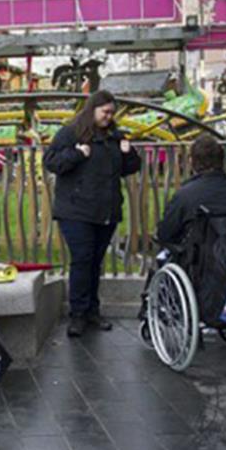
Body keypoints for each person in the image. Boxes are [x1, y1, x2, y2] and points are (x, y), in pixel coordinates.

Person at [44, 89, 141, 336]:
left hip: (105, 210)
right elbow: (51, 161)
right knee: (82, 259)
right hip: (75, 210)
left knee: (95, 261)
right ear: (92, 110)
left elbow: (130, 168)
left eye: (112, 112)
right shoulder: (71, 133)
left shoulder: (115, 137)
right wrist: (77, 154)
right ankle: (78, 313)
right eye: (105, 112)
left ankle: (92, 311)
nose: (109, 116)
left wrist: (129, 153)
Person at [156, 133, 226, 247]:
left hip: (198, 256)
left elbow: (164, 234)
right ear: (222, 160)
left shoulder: (185, 195)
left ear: (191, 161)